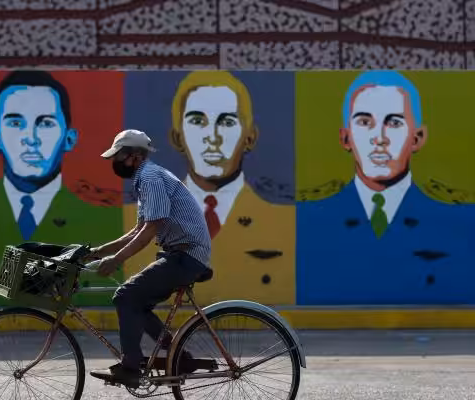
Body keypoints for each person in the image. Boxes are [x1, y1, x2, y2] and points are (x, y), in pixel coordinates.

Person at [0, 70, 122, 306]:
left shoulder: (107, 212)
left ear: (69, 138)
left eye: (45, 123)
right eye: (15, 123)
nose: (31, 138)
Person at [297, 70, 475, 305]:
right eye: (364, 122)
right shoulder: (308, 220)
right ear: (345, 138)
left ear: (417, 138)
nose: (379, 138)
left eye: (394, 123)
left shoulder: (456, 217)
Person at [124, 70, 295, 306]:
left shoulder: (286, 219)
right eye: (197, 121)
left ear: (250, 137)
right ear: (177, 137)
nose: (212, 137)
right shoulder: (134, 217)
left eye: (226, 122)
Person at [88, 129, 213, 388]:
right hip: (181, 254)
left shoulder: (151, 177)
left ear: (133, 156)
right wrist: (98, 252)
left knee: (125, 296)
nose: (114, 163)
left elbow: (151, 228)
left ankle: (131, 367)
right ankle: (180, 356)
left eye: (118, 157)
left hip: (186, 255)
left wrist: (116, 260)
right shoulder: (146, 178)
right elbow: (138, 231)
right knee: (137, 303)